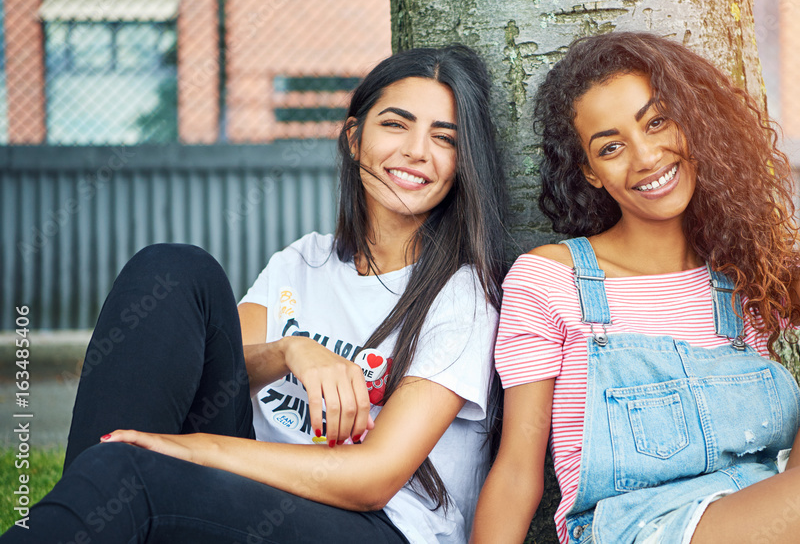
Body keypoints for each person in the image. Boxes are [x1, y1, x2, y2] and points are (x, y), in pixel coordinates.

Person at [470, 31, 800, 544]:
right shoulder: (550, 278)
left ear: (692, 123)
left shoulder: (741, 273)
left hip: (776, 505)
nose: (647, 156)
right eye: (612, 148)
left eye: (657, 122)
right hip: (649, 528)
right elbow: (518, 470)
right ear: (589, 173)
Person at [6, 45, 507, 544]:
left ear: (463, 165)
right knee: (172, 268)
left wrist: (191, 450)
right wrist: (292, 351)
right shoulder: (303, 261)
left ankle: (115, 484)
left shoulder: (461, 295)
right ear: (354, 139)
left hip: (377, 525)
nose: (417, 150)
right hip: (252, 496)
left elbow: (373, 479)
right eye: (395, 125)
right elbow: (220, 374)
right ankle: (109, 482)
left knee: (131, 474)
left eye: (445, 138)